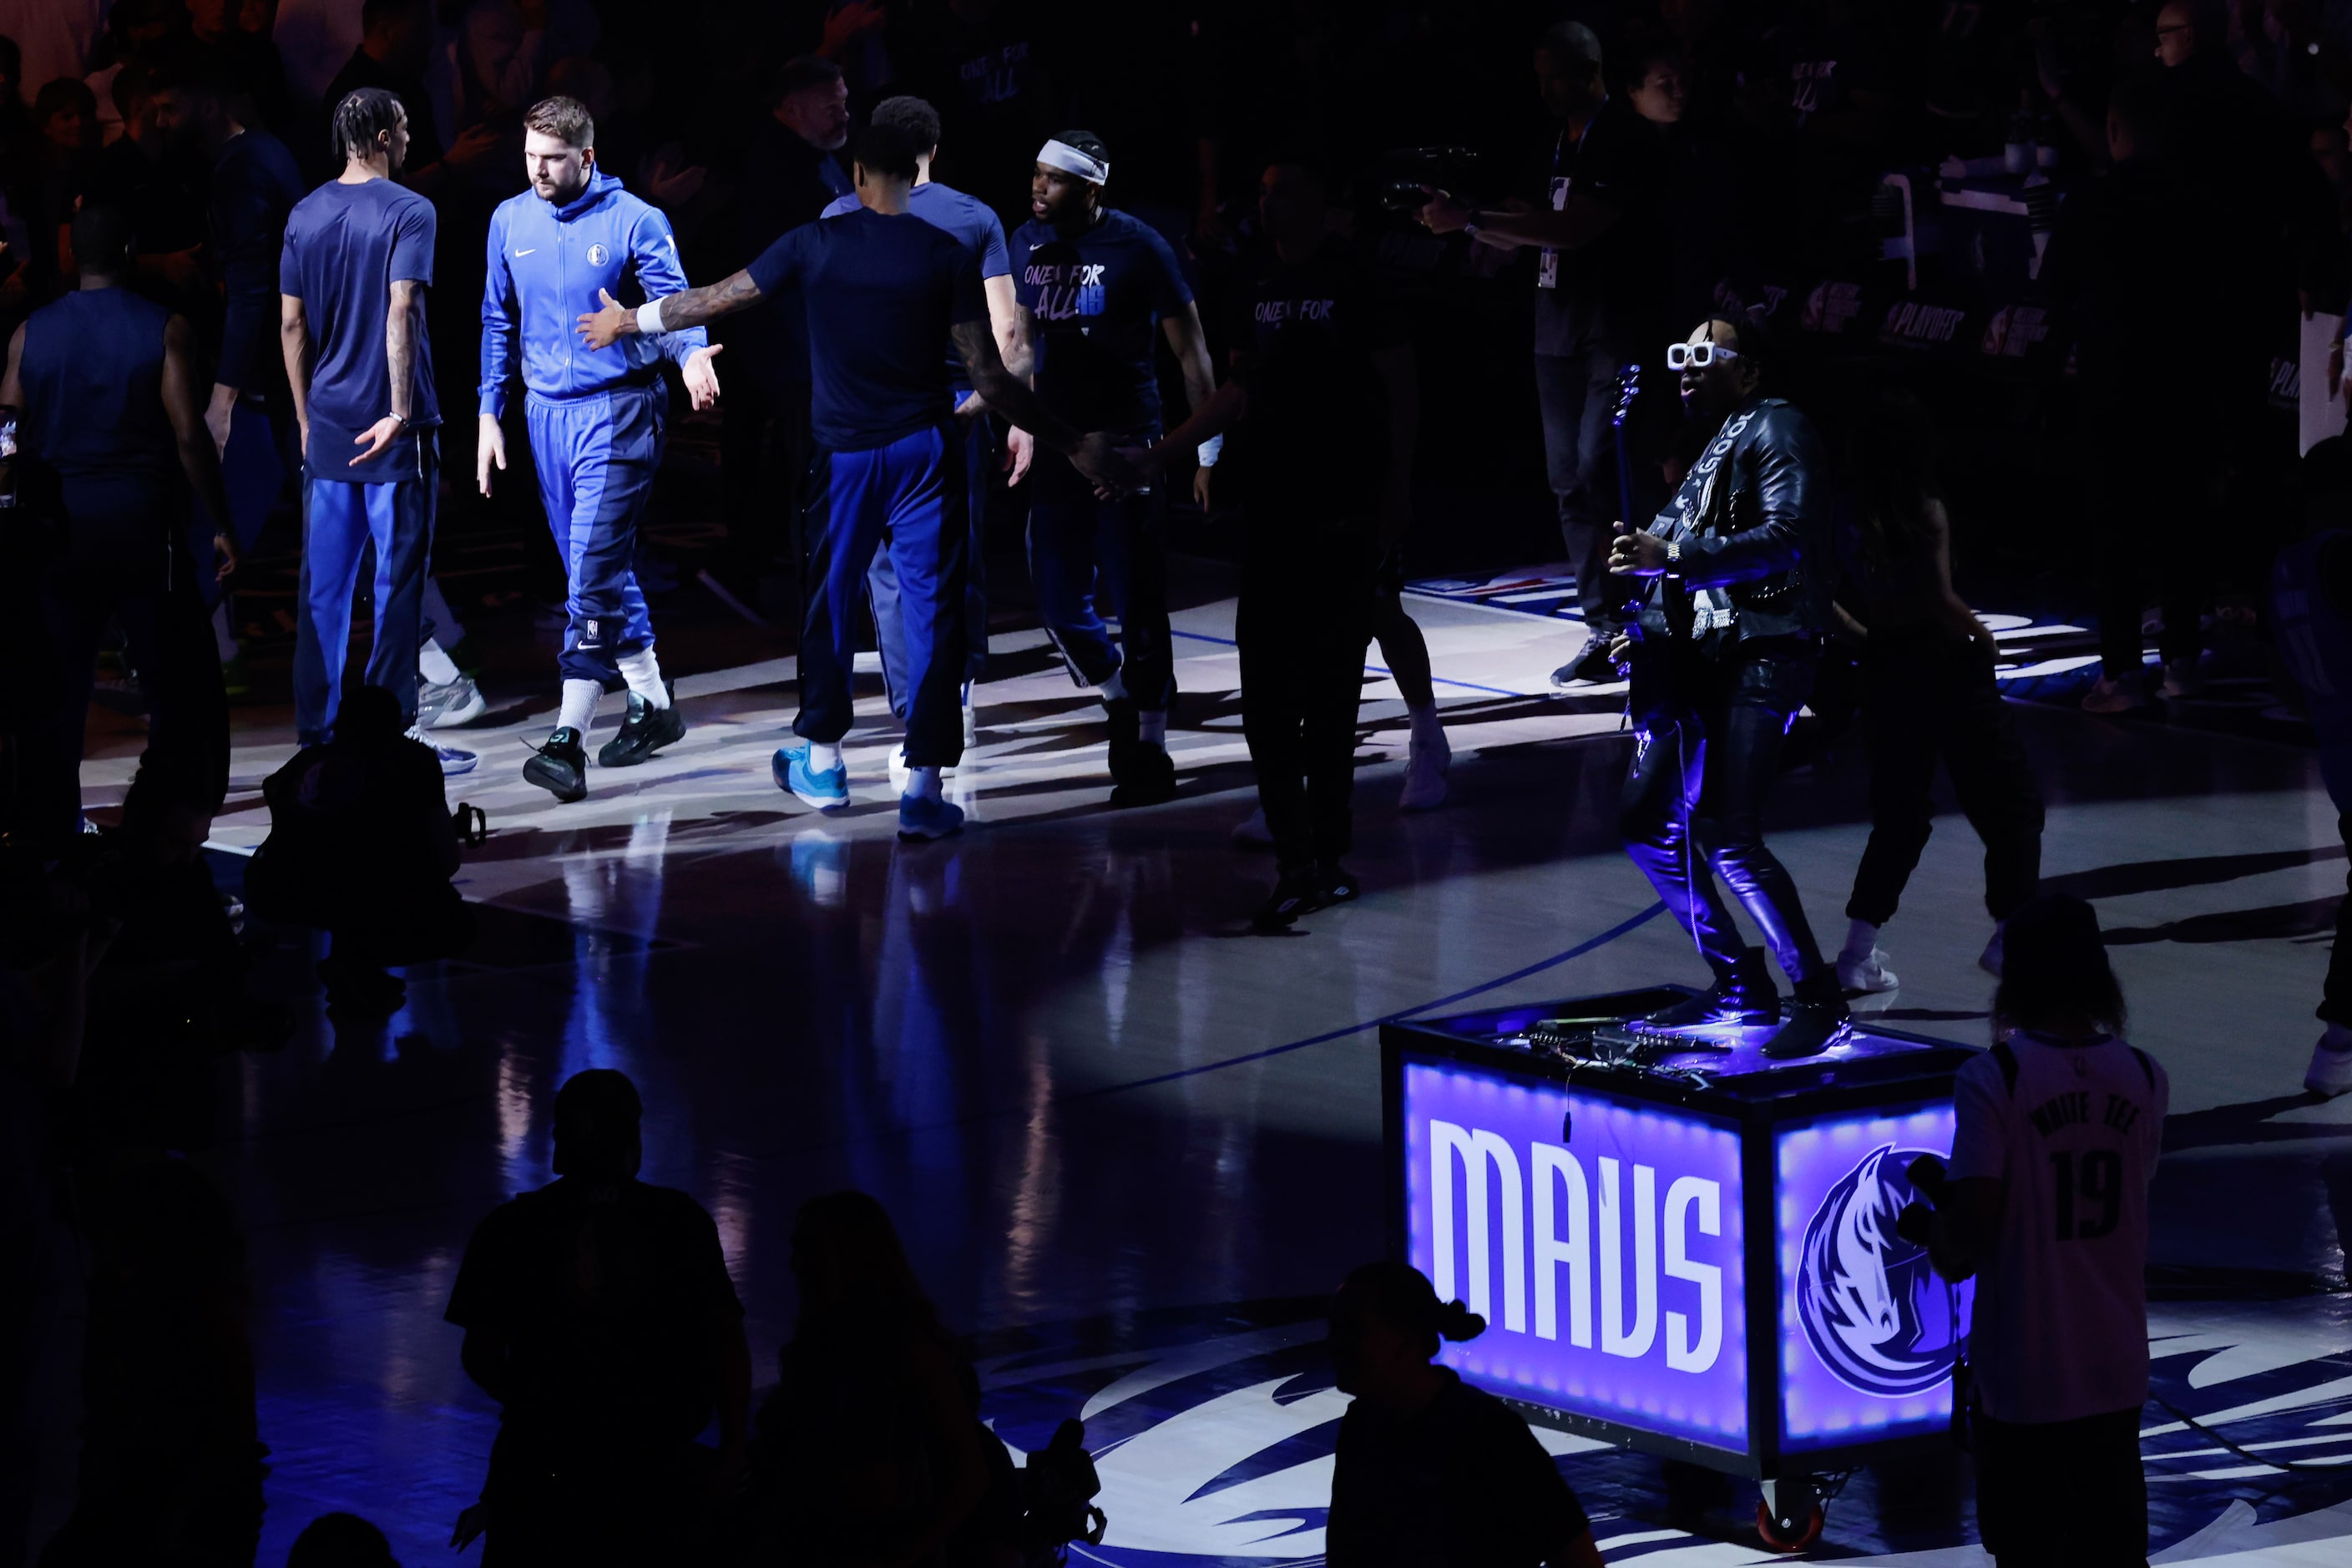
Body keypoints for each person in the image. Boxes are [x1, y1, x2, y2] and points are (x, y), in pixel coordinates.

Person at [579, 119, 1136, 841]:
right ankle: (925, 787)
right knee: (931, 616)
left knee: (830, 606)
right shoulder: (945, 251)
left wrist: (630, 321)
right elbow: (992, 377)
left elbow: (717, 297)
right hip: (925, 458)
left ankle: (823, 762)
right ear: (914, 171)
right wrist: (1071, 444)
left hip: (845, 459)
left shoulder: (814, 242)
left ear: (857, 173)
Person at [1144, 159, 1423, 928]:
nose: (1270, 206)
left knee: (1331, 695)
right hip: (1271, 510)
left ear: (1322, 201)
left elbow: (1399, 387)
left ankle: (1327, 857)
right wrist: (1170, 453)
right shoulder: (1250, 280)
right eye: (1262, 193)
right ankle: (1294, 857)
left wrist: (1395, 493)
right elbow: (1238, 388)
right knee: (1265, 694)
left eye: (1286, 192)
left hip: (1342, 508)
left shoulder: (1356, 277)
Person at [1605, 316, 1850, 1060]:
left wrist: (1669, 553)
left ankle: (1819, 997)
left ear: (1749, 371)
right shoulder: (1715, 443)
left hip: (1762, 651)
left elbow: (1789, 535)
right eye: (1679, 355)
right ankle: (1739, 981)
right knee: (1649, 824)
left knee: (1726, 833)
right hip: (1702, 659)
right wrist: (1643, 621)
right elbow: (1677, 570)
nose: (1686, 368)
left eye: (1705, 356)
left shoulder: (1775, 426)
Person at [479, 93, 721, 802]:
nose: (538, 172)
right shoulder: (508, 220)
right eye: (528, 158)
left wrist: (690, 357)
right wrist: (489, 412)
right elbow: (497, 321)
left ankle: (567, 735)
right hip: (544, 417)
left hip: (618, 412)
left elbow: (672, 303)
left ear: (587, 156)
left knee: (588, 574)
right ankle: (654, 705)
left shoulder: (635, 220)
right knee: (599, 565)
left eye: (552, 159)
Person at [1913, 893, 2167, 1568]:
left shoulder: (1996, 1079)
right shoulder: (2143, 1075)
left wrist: (1931, 1227)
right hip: (2114, 1368)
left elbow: (1965, 1243)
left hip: (2027, 1373)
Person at [1418, 22, 1667, 691]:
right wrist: (1468, 213)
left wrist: (1472, 222)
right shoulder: (1553, 142)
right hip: (1551, 329)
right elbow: (1528, 230)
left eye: (1554, 76)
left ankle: (1648, 617)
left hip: (1610, 328)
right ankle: (1603, 629)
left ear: (1588, 71)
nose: (1544, 89)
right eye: (1539, 76)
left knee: (1600, 469)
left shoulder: (1624, 139)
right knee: (1565, 481)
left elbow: (1574, 228)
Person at [445, 1069, 751, 1567]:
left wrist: (545, 1409)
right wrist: (733, 1445)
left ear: (563, 1136)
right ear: (631, 1136)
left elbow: (479, 1355)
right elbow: (726, 1340)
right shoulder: (680, 1221)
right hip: (654, 1466)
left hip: (542, 1468)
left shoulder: (511, 1227)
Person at [4, 201, 234, 847]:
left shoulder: (29, 333)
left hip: (60, 540)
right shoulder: (165, 328)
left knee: (61, 689)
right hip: (141, 535)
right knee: (170, 687)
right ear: (131, 252)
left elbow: (6, 435)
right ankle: (163, 830)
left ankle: (52, 830)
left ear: (74, 256)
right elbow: (191, 437)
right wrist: (221, 522)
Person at [1008, 128, 1216, 806]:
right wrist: (1019, 418)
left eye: (1055, 178)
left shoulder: (1138, 245)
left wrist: (1201, 449)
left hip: (1126, 443)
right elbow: (1022, 341)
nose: (1039, 186)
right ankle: (1118, 695)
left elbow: (1190, 350)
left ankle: (1149, 742)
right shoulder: (1026, 241)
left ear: (1091, 187)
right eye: (1036, 173)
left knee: (1137, 600)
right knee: (1057, 598)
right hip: (1061, 440)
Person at [821, 93, 1024, 764]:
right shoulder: (974, 217)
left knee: (881, 567)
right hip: (954, 413)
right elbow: (1007, 334)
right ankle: (949, 705)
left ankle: (916, 712)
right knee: (949, 561)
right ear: (932, 150)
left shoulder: (838, 215)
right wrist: (1006, 416)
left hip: (866, 419)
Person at [279, 86, 473, 773]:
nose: (413, 138)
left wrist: (305, 419)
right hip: (395, 435)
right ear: (385, 137)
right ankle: (390, 737)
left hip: (328, 430)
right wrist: (396, 410)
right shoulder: (410, 211)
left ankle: (317, 737)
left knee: (323, 591)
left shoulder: (304, 213)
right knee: (396, 587)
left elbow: (291, 324)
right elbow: (402, 312)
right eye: (408, 126)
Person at [1831, 393, 2042, 993]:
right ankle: (2009, 939)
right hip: (1946, 665)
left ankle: (1855, 955)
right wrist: (1982, 636)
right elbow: (1938, 596)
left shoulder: (1843, 509)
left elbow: (1818, 596)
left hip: (1887, 666)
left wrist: (1864, 640)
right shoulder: (1923, 507)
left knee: (1898, 817)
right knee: (2012, 808)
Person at [749, 1191, 991, 1567]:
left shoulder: (907, 1349)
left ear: (850, 1255)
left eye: (809, 1249)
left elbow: (969, 1475)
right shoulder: (820, 1346)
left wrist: (900, 1555)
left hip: (867, 1540)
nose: (795, 1263)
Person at [1323, 1262, 1604, 1568]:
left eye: (1352, 1330)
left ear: (1406, 1341)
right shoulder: (1362, 1425)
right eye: (1335, 1328)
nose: (1335, 1345)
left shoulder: (1489, 1436)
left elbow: (1576, 1557)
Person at [243, 684, 471, 1019]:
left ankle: (353, 964)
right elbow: (447, 861)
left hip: (277, 889)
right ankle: (358, 964)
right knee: (455, 925)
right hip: (368, 894)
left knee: (348, 882)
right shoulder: (413, 760)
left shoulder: (302, 764)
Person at [724, 53, 852, 618]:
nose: (842, 116)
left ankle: (748, 567)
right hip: (794, 346)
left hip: (809, 345)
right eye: (831, 107)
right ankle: (811, 599)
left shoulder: (812, 157)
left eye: (844, 104)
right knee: (808, 468)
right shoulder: (780, 168)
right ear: (793, 108)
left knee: (794, 464)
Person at [2268, 483, 2352, 1096]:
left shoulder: (2286, 567)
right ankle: (2339, 1040)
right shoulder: (2340, 558)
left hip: (2337, 748)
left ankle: (2339, 1043)